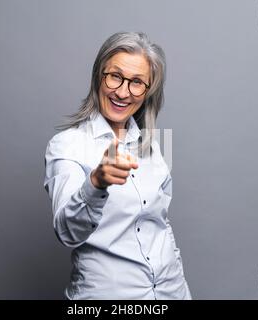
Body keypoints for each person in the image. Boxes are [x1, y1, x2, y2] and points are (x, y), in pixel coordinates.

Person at [43, 31, 192, 300]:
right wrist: (95, 184)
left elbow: (160, 224)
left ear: (148, 91)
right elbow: (67, 232)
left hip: (171, 292)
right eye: (115, 76)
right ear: (99, 76)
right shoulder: (67, 145)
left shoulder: (155, 147)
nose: (123, 92)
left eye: (137, 82)